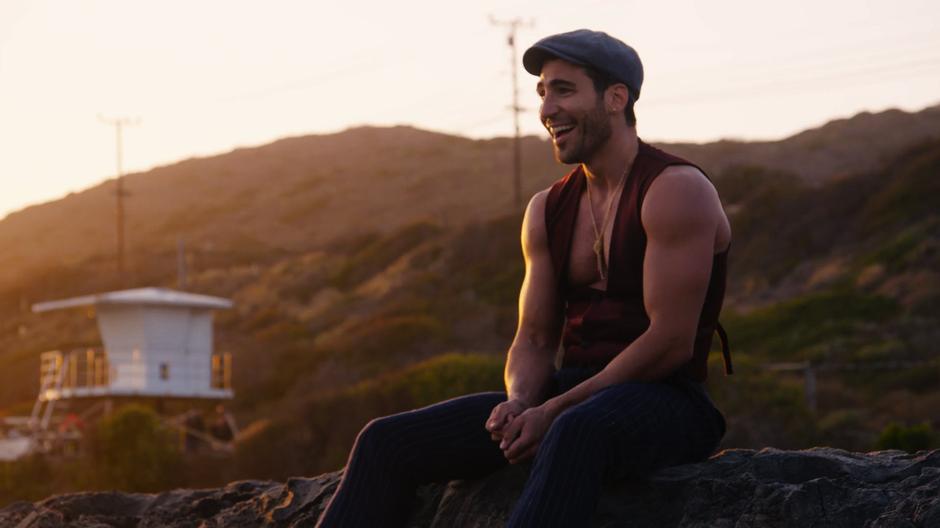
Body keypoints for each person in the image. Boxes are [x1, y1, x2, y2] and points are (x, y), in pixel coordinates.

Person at [316, 29, 732, 527]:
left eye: (563, 90)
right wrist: (519, 403)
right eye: (542, 93)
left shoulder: (674, 190)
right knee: (386, 441)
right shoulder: (546, 209)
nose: (547, 109)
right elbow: (534, 338)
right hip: (567, 393)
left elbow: (670, 342)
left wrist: (554, 410)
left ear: (616, 98)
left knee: (575, 430)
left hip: (667, 400)